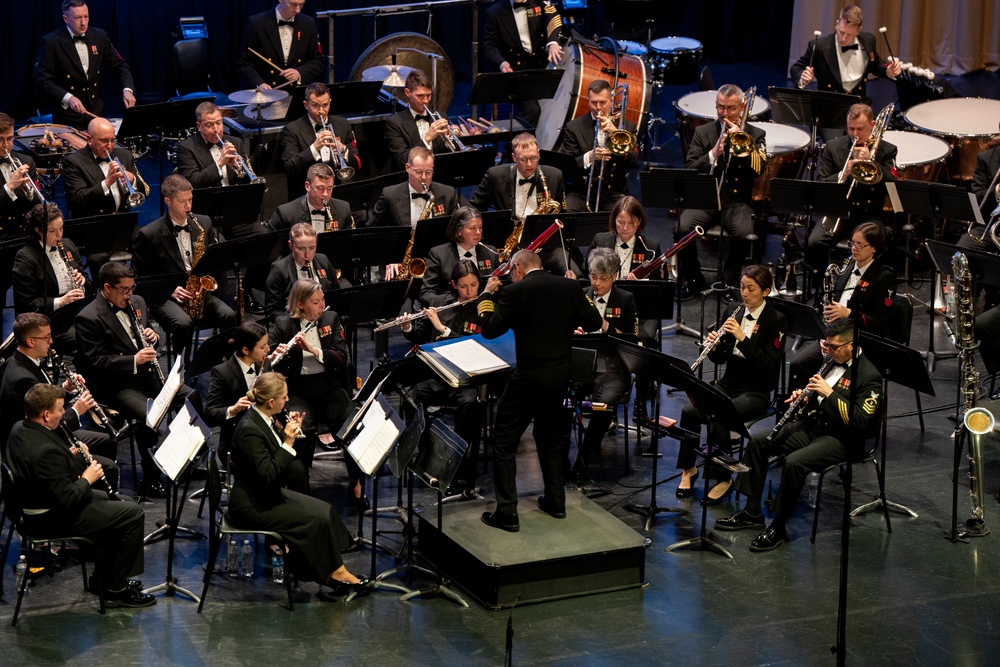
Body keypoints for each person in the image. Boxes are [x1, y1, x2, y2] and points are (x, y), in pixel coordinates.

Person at [715, 317, 883, 551]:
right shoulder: (832, 359)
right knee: (758, 442)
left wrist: (829, 394)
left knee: (794, 462)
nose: (829, 351)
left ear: (852, 346)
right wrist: (805, 397)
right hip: (816, 425)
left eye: (834, 347)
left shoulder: (869, 376)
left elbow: (861, 423)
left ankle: (778, 526)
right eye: (827, 346)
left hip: (842, 438)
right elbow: (817, 394)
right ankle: (752, 512)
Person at [478, 249, 602, 530]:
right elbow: (594, 322)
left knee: (504, 439)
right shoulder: (570, 286)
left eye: (512, 272)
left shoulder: (516, 292)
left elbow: (489, 328)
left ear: (518, 269)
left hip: (529, 376)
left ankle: (507, 512)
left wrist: (486, 296)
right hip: (560, 374)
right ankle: (556, 502)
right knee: (549, 436)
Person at [7, 384, 154, 607]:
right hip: (50, 518)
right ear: (46, 415)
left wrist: (69, 456)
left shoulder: (20, 428)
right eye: (59, 409)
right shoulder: (45, 451)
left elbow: (46, 474)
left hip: (37, 505)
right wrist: (87, 477)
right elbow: (68, 498)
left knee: (120, 504)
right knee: (132, 514)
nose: (62, 414)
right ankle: (115, 589)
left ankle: (103, 579)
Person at [229, 372, 364, 591]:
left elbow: (281, 459)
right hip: (252, 504)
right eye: (284, 397)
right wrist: (288, 441)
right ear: (271, 401)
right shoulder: (249, 431)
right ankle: (334, 574)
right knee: (313, 520)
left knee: (325, 510)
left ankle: (333, 570)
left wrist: (295, 436)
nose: (287, 400)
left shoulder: (266, 417)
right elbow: (270, 474)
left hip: (265, 494)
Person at [75, 261, 200, 497]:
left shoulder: (138, 301)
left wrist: (154, 337)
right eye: (125, 290)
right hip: (117, 385)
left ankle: (185, 460)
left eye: (133, 288)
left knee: (191, 396)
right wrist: (134, 360)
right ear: (107, 288)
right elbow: (95, 364)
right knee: (149, 414)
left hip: (149, 376)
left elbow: (147, 336)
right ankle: (151, 477)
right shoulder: (89, 317)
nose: (130, 294)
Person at [674, 265, 787, 503]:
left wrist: (742, 338)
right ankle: (688, 469)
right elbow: (720, 359)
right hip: (729, 384)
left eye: (751, 289)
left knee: (720, 414)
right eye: (742, 287)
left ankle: (723, 477)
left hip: (755, 391)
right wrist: (714, 346)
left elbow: (767, 366)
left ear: (765, 291)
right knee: (689, 411)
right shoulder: (733, 310)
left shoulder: (776, 321)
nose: (744, 293)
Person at [397, 260, 488, 494]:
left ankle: (456, 462)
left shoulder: (483, 309)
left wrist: (444, 330)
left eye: (474, 285)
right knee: (412, 396)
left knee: (469, 404)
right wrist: (408, 328)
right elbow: (421, 337)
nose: (470, 292)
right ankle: (430, 453)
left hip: (468, 376)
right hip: (439, 374)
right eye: (464, 287)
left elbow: (474, 348)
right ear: (454, 285)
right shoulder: (440, 303)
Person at [0, 313, 117, 491]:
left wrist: (66, 388)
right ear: (31, 342)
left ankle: (92, 492)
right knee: (109, 467)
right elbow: (50, 424)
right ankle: (89, 500)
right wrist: (78, 409)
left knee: (107, 441)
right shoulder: (23, 380)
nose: (51, 342)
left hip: (47, 433)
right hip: (38, 446)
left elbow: (46, 401)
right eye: (47, 338)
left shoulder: (25, 362)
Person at [268, 280, 359, 502]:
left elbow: (341, 357)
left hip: (329, 387)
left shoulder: (330, 318)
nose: (321, 306)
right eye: (315, 302)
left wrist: (313, 350)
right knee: (300, 428)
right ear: (300, 304)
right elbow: (270, 363)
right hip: (298, 390)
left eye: (322, 300)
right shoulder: (283, 325)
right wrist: (275, 357)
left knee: (352, 423)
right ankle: (300, 488)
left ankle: (357, 482)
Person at [130, 175, 237, 360]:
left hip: (198, 291)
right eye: (182, 201)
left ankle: (222, 360)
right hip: (167, 296)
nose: (188, 206)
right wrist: (169, 290)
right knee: (183, 324)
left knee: (229, 315)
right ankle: (180, 370)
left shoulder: (203, 223)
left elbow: (215, 260)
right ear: (168, 201)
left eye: (190, 200)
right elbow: (140, 278)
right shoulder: (148, 234)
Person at [674, 84, 767, 297]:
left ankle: (730, 282)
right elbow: (689, 168)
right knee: (681, 228)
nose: (725, 114)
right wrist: (713, 153)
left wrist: (744, 148)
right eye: (721, 108)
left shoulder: (756, 134)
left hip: (737, 201)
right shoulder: (702, 132)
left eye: (731, 108)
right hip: (706, 199)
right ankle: (693, 279)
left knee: (744, 234)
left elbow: (760, 168)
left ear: (742, 107)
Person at [790, 221, 895, 389]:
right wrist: (826, 336)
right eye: (852, 243)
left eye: (861, 244)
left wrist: (847, 313)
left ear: (874, 248)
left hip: (857, 342)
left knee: (825, 376)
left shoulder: (884, 277)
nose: (854, 248)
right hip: (834, 336)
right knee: (798, 364)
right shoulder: (847, 266)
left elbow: (879, 324)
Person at [586, 196, 662, 419]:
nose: (625, 228)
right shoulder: (600, 240)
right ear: (613, 221)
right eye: (620, 222)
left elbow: (659, 286)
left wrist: (643, 283)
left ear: (639, 222)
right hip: (607, 304)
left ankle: (640, 400)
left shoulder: (650, 247)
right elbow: (587, 272)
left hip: (641, 310)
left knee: (644, 340)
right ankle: (597, 388)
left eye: (631, 223)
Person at [569, 247, 637, 479]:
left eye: (603, 278)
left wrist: (606, 326)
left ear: (615, 276)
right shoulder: (581, 295)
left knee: (606, 403)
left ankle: (585, 456)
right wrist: (574, 332)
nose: (596, 283)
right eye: (593, 276)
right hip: (582, 364)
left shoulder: (626, 300)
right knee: (560, 397)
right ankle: (558, 461)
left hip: (614, 366)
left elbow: (633, 339)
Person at [806, 103, 897, 268]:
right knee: (814, 241)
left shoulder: (887, 150)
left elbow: (892, 187)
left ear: (872, 125)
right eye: (851, 129)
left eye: (860, 129)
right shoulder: (833, 148)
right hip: (839, 211)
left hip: (870, 215)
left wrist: (873, 162)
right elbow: (821, 183)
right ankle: (820, 287)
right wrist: (844, 173)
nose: (855, 134)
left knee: (874, 248)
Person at [469, 133, 573, 276]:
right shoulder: (495, 175)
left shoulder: (554, 175)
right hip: (510, 247)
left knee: (571, 271)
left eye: (533, 158)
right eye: (523, 159)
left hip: (545, 246)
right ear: (514, 158)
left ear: (539, 154)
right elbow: (474, 209)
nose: (529, 164)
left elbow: (563, 215)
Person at [33, 0, 135, 130]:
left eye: (86, 17)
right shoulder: (51, 42)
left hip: (95, 111)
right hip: (67, 115)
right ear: (65, 18)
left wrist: (128, 90)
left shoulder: (99, 36)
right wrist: (68, 98)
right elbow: (43, 80)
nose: (83, 22)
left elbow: (120, 64)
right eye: (77, 18)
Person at [371, 147, 463, 279]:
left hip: (438, 262)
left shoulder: (447, 193)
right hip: (400, 263)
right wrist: (390, 258)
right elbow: (374, 232)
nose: (424, 178)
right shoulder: (389, 195)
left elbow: (455, 231)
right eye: (418, 172)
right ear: (408, 167)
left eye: (429, 172)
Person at [13, 203, 90, 351]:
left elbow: (89, 283)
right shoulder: (26, 257)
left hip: (78, 311)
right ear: (38, 231)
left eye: (61, 229)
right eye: (53, 231)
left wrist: (83, 280)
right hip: (51, 319)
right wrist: (60, 301)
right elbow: (26, 303)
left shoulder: (67, 245)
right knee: (87, 336)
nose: (59, 235)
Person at [790, 5, 901, 104]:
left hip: (859, 105)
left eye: (849, 34)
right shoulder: (820, 47)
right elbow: (796, 68)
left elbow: (875, 64)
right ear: (837, 24)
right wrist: (803, 77)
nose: (843, 38)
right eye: (841, 32)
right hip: (830, 106)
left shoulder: (868, 40)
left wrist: (887, 70)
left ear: (858, 31)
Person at [558, 79, 639, 212]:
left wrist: (616, 134)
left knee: (623, 217)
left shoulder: (628, 127)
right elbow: (567, 167)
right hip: (582, 192)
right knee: (565, 212)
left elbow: (633, 163)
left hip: (613, 193)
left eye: (603, 102)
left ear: (611, 101)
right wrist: (589, 157)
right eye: (594, 102)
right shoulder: (574, 127)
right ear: (588, 101)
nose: (598, 107)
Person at [483, 0, 566, 126]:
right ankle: (519, 144)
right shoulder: (495, 12)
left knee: (562, 103)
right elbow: (489, 46)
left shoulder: (539, 2)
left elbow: (553, 17)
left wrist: (553, 42)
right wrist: (501, 63)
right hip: (517, 70)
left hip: (543, 64)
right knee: (531, 110)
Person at [282, 83, 360, 200]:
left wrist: (343, 150)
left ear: (330, 102)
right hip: (306, 195)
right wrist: (314, 149)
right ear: (306, 105)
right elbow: (289, 168)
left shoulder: (342, 124)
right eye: (316, 106)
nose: (321, 111)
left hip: (336, 192)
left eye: (325, 105)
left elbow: (357, 164)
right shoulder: (292, 129)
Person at [61, 116, 147, 219]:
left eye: (112, 140)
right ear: (89, 139)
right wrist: (107, 183)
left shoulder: (125, 155)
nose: (110, 146)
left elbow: (144, 191)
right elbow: (76, 201)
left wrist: (132, 179)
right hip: (93, 226)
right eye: (104, 141)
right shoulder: (73, 162)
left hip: (123, 221)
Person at [235, 0, 325, 90]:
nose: (298, 10)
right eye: (293, 4)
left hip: (296, 93)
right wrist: (259, 83)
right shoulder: (256, 23)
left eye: (301, 5)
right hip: (266, 95)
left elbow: (318, 60)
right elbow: (243, 63)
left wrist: (299, 73)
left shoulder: (308, 23)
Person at [418, 206, 497, 306]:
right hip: (452, 314)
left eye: (480, 227)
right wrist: (455, 300)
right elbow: (426, 293)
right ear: (459, 231)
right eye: (472, 228)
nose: (478, 232)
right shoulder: (438, 254)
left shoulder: (490, 252)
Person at [265, 223, 342, 320]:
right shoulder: (278, 269)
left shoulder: (323, 260)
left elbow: (337, 297)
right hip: (295, 326)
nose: (307, 255)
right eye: (301, 249)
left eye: (312, 248)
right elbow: (272, 311)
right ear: (291, 245)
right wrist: (300, 319)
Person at [384, 69, 454, 171]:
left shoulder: (440, 116)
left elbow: (450, 155)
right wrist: (427, 139)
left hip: (439, 176)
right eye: (420, 96)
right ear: (407, 92)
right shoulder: (395, 123)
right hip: (411, 179)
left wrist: (451, 138)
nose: (425, 100)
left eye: (428, 95)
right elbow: (401, 160)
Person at [175, 101, 252, 191]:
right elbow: (192, 183)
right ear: (199, 126)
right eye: (209, 125)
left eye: (218, 123)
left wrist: (239, 169)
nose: (216, 129)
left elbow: (248, 182)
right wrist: (219, 163)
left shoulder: (236, 142)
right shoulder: (186, 148)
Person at [268, 163, 353, 234]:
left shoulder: (343, 209)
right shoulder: (286, 213)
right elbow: (272, 250)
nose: (325, 194)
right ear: (307, 186)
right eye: (320, 188)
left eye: (329, 188)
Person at [0, 112, 40, 240]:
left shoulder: (26, 161)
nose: (6, 145)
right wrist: (9, 187)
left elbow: (37, 206)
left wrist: (30, 191)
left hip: (24, 233)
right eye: (0, 139)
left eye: (10, 139)